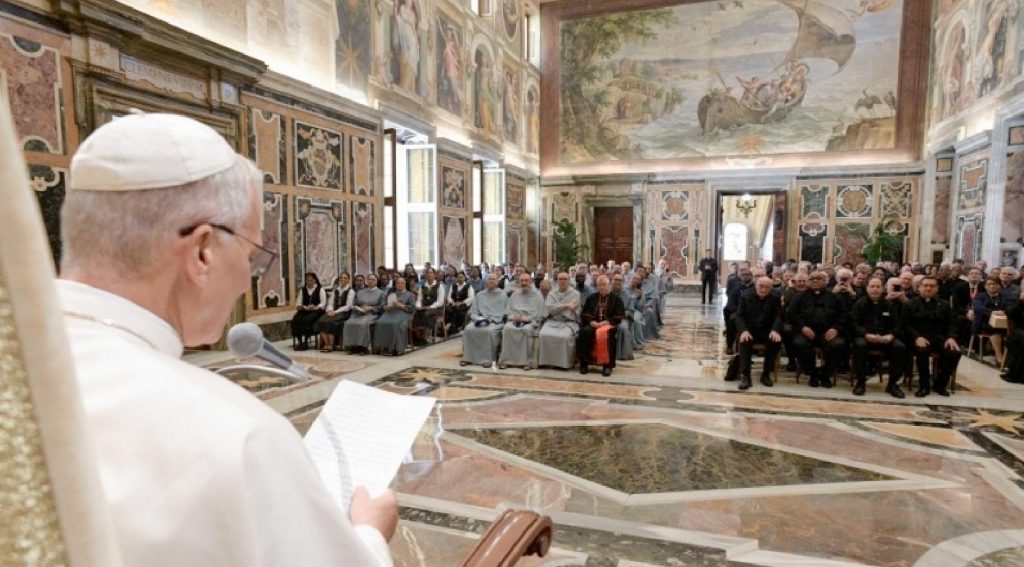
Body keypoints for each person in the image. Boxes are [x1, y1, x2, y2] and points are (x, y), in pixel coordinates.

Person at [57, 113, 395, 565]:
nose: (246, 281)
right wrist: (370, 532)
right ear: (203, 252)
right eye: (253, 258)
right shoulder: (238, 436)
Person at [904, 276, 961, 397]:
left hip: (939, 337)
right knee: (922, 352)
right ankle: (924, 386)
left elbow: (952, 323)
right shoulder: (910, 304)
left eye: (932, 286)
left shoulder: (944, 304)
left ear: (937, 288)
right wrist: (916, 337)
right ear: (919, 288)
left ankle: (940, 384)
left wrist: (951, 337)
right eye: (925, 285)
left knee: (954, 352)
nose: (928, 288)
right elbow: (906, 325)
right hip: (918, 337)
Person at [850, 277, 906, 398]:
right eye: (872, 286)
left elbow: (897, 325)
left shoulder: (890, 305)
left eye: (878, 287)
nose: (875, 289)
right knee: (860, 345)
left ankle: (892, 384)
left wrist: (891, 336)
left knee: (899, 347)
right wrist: (866, 334)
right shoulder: (859, 304)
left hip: (885, 338)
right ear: (867, 288)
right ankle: (860, 383)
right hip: (865, 337)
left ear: (883, 289)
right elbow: (854, 323)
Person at [787, 271, 844, 388]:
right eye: (812, 279)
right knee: (799, 343)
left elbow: (844, 315)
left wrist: (835, 329)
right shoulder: (799, 297)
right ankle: (812, 373)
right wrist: (802, 327)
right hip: (806, 333)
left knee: (838, 344)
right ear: (808, 281)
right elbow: (792, 314)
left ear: (825, 281)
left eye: (819, 278)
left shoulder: (834, 296)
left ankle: (825, 375)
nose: (815, 280)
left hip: (828, 333)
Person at [733, 276, 783, 390]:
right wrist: (744, 330)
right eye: (761, 286)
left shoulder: (775, 297)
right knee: (745, 340)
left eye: (767, 287)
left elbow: (778, 316)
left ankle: (766, 374)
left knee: (775, 341)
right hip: (749, 330)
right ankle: (746, 376)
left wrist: (775, 330)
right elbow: (739, 315)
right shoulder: (745, 296)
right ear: (755, 285)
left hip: (767, 331)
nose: (763, 289)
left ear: (771, 288)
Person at [577, 275, 625, 376]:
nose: (602, 287)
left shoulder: (616, 299)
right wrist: (591, 322)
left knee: (608, 334)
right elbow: (584, 313)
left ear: (609, 285)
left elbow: (619, 315)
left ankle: (607, 365)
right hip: (593, 324)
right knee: (585, 332)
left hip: (608, 324)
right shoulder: (592, 298)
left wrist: (606, 322)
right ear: (597, 286)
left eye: (604, 284)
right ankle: (584, 364)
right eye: (600, 285)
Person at [498, 273, 545, 369]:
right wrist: (514, 317)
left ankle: (527, 362)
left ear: (531, 282)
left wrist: (527, 319)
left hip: (530, 322)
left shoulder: (538, 296)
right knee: (507, 328)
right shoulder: (515, 295)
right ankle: (506, 360)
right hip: (515, 321)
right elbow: (508, 312)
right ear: (519, 282)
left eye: (526, 280)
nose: (524, 283)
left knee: (526, 330)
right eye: (522, 281)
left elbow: (540, 314)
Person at [461, 273, 508, 366]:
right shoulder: (479, 295)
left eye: (493, 279)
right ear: (486, 281)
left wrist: (493, 320)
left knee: (488, 331)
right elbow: (473, 311)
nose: (491, 281)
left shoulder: (503, 296)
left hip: (495, 322)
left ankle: (488, 359)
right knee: (468, 329)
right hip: (479, 321)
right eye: (489, 279)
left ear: (497, 282)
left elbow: (505, 312)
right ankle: (468, 358)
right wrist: (477, 318)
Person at [537, 272, 581, 370]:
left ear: (569, 281)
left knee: (564, 337)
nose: (562, 281)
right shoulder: (552, 294)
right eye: (560, 279)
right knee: (543, 334)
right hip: (553, 321)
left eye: (565, 279)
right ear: (557, 281)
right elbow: (550, 309)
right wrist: (566, 305)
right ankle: (546, 362)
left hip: (568, 322)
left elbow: (572, 308)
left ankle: (564, 364)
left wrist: (557, 307)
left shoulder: (575, 294)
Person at [372, 276, 416, 355]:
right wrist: (387, 307)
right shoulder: (391, 294)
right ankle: (382, 347)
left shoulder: (410, 295)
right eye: (398, 283)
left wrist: (400, 305)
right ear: (395, 284)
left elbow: (412, 308)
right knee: (380, 322)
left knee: (395, 323)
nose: (400, 285)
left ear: (405, 284)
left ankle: (396, 348)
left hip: (403, 313)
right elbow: (384, 305)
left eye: (402, 283)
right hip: (390, 312)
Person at [343, 273, 386, 353]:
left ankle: (363, 347)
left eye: (373, 280)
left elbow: (382, 307)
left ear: (376, 281)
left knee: (363, 323)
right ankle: (352, 346)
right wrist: (358, 308)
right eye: (369, 279)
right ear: (366, 281)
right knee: (349, 322)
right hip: (359, 313)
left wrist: (371, 308)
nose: (371, 281)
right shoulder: (360, 292)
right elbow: (354, 304)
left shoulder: (381, 293)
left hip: (371, 314)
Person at [971, 276, 1007, 366]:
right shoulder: (980, 296)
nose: (992, 286)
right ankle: (999, 357)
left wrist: (1004, 312)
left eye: (994, 284)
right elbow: (978, 307)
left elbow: (1008, 308)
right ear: (985, 286)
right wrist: (992, 312)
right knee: (996, 331)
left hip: (1000, 323)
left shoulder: (1003, 296)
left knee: (1011, 331)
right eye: (989, 284)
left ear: (999, 286)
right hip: (982, 323)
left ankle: (1009, 356)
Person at [315, 271, 355, 352]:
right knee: (321, 321)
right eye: (341, 278)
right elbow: (330, 303)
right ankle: (327, 343)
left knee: (331, 322)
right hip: (333, 312)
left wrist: (335, 312)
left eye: (345, 278)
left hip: (344, 313)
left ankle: (331, 344)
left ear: (348, 280)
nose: (343, 280)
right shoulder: (336, 290)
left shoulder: (351, 291)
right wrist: (330, 310)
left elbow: (348, 306)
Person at [723, 266, 754, 354]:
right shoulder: (735, 290)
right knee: (732, 321)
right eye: (743, 275)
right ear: (740, 276)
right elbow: (730, 305)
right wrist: (740, 311)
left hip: (753, 314)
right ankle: (729, 346)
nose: (745, 276)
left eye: (747, 274)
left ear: (751, 276)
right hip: (738, 313)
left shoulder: (755, 288)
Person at [292, 272, 326, 350]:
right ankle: (300, 341)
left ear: (315, 280)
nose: (309, 282)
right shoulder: (303, 290)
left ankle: (306, 341)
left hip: (316, 311)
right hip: (305, 310)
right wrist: (305, 307)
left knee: (308, 320)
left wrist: (316, 307)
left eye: (311, 280)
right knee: (296, 319)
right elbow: (298, 303)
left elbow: (323, 303)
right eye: (307, 280)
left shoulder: (320, 289)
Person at [414, 267, 446, 344]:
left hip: (437, 308)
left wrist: (430, 307)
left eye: (431, 273)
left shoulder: (439, 286)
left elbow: (440, 301)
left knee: (427, 313)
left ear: (434, 275)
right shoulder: (423, 286)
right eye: (427, 273)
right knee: (415, 313)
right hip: (424, 307)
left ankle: (424, 337)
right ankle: (418, 336)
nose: (429, 274)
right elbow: (419, 299)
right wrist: (418, 306)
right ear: (425, 275)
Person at [612, 273, 641, 359]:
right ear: (612, 281)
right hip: (607, 318)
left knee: (623, 328)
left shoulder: (627, 295)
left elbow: (631, 311)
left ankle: (622, 354)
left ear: (623, 282)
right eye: (615, 279)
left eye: (619, 280)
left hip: (622, 318)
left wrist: (623, 314)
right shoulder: (607, 292)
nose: (617, 282)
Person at [1000, 285, 1024, 383]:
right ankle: (1016, 374)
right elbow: (1010, 312)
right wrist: (1021, 301)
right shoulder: (1014, 299)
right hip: (1017, 332)